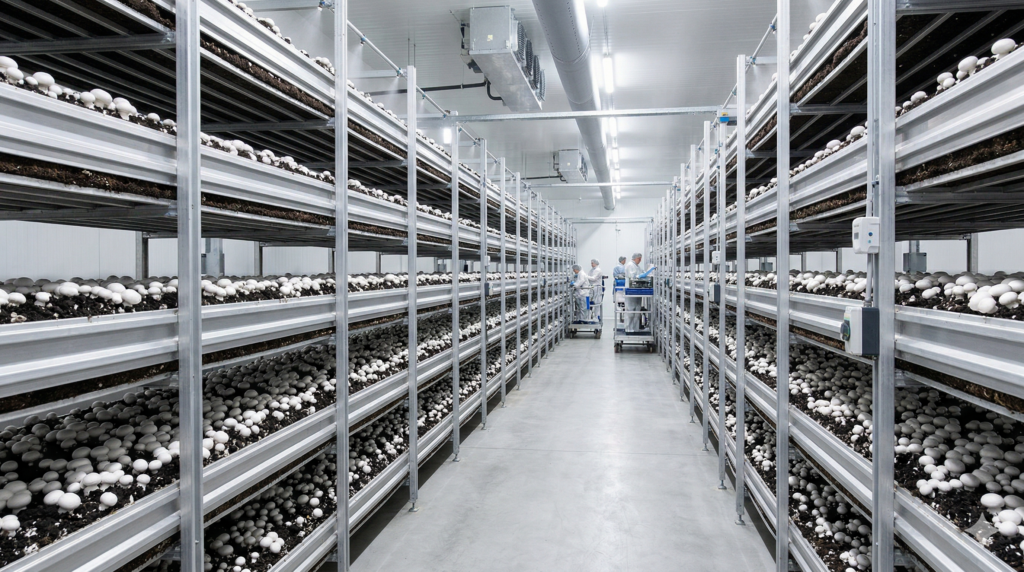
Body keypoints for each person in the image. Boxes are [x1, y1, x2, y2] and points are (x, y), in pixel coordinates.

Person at [624, 253, 644, 332]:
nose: (640, 260)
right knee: (631, 309)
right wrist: (639, 276)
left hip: (637, 289)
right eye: (639, 259)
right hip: (631, 290)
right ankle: (629, 328)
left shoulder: (637, 266)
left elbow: (641, 272)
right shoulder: (630, 265)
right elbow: (632, 277)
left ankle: (635, 329)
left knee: (637, 309)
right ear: (635, 258)